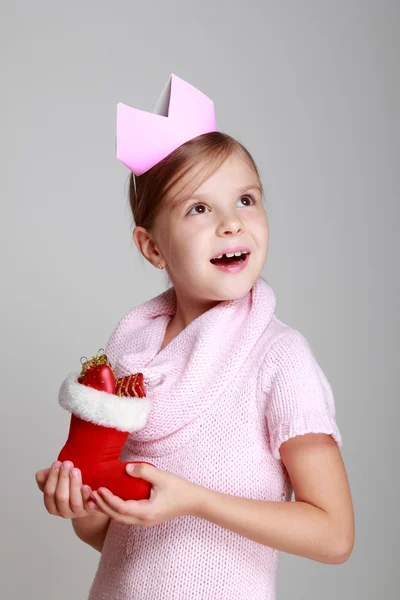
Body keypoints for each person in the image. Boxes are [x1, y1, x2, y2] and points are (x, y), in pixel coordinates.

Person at [35, 74, 354, 599]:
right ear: (153, 248)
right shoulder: (128, 359)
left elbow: (335, 535)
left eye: (246, 199)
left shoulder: (277, 358)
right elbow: (117, 536)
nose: (231, 223)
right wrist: (82, 506)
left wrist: (196, 501)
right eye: (199, 208)